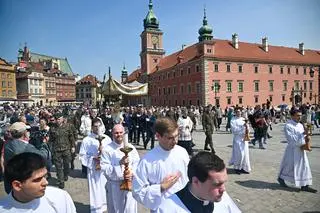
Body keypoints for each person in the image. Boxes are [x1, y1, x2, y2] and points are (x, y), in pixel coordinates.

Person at [132, 117, 190, 213]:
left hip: (184, 207)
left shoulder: (182, 152)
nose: (175, 141)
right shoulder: (148, 160)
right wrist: (161, 187)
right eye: (170, 138)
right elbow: (138, 191)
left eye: (176, 136)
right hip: (162, 209)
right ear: (158, 136)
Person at [157, 151, 241, 213]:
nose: (223, 189)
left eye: (223, 183)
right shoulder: (167, 209)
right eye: (217, 184)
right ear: (196, 182)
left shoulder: (223, 197)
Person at [0, 152, 76, 212]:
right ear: (17, 185)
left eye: (45, 176)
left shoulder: (59, 198)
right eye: (37, 179)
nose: (46, 182)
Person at [101, 124, 140, 213]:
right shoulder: (107, 149)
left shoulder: (131, 147)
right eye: (116, 133)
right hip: (115, 185)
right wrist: (119, 164)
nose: (119, 135)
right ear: (112, 134)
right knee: (116, 209)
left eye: (121, 132)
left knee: (129, 209)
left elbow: (137, 163)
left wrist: (131, 173)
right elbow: (105, 168)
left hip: (129, 183)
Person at [277, 107, 317, 193]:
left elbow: (304, 136)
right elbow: (291, 139)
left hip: (301, 149)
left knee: (304, 167)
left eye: (300, 115)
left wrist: (307, 137)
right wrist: (303, 134)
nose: (300, 117)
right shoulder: (288, 126)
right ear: (292, 116)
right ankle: (281, 178)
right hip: (292, 150)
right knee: (289, 166)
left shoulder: (300, 125)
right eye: (297, 116)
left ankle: (305, 185)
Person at [3, 122, 47, 194]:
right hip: (24, 184)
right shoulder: (27, 147)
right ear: (24, 133)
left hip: (11, 182)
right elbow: (43, 156)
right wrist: (44, 144)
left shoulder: (7, 144)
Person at [79, 118, 112, 213]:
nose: (97, 128)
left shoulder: (107, 139)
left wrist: (104, 154)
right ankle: (96, 209)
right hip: (93, 169)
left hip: (104, 169)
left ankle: (106, 206)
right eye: (95, 126)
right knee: (95, 189)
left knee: (105, 188)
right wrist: (93, 158)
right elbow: (82, 156)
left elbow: (112, 153)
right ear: (92, 127)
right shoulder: (87, 140)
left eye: (99, 126)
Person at [49, 113, 76, 189]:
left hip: (66, 149)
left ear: (62, 119)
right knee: (58, 166)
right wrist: (50, 147)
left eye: (59, 119)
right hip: (56, 149)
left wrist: (73, 146)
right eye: (56, 119)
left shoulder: (67, 127)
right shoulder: (52, 128)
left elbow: (71, 137)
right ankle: (61, 181)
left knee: (66, 164)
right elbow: (50, 139)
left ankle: (66, 174)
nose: (58, 121)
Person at [229, 108, 251, 175]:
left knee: (245, 154)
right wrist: (242, 127)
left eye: (240, 112)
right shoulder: (233, 120)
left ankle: (244, 168)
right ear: (235, 112)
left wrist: (247, 128)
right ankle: (237, 168)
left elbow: (248, 128)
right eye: (237, 112)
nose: (239, 113)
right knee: (239, 154)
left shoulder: (243, 119)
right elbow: (234, 130)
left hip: (244, 139)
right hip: (238, 139)